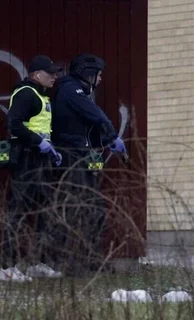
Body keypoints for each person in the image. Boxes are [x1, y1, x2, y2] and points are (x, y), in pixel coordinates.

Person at [51, 53, 127, 276]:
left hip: (80, 155)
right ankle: (76, 263)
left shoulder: (76, 91)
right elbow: (95, 115)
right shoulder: (70, 90)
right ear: (88, 73)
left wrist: (104, 142)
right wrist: (112, 135)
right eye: (98, 75)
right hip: (72, 158)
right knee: (82, 209)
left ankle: (91, 261)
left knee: (93, 209)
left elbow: (82, 130)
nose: (101, 79)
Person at [1, 55, 63, 281]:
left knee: (44, 212)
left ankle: (37, 263)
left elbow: (41, 128)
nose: (55, 76)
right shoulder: (27, 93)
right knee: (17, 213)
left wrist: (51, 150)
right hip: (26, 160)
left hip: (40, 160)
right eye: (50, 73)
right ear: (37, 75)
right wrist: (39, 143)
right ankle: (7, 267)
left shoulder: (41, 95)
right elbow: (13, 123)